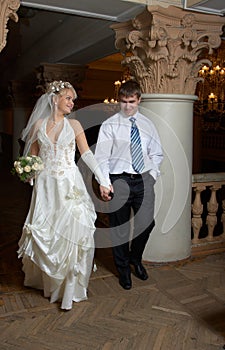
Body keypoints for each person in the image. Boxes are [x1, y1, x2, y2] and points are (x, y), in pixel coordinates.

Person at [17, 80, 111, 310]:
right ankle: (50, 285)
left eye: (72, 99)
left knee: (73, 233)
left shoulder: (75, 125)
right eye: (68, 98)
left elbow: (87, 154)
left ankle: (70, 291)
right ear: (54, 99)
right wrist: (27, 171)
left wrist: (103, 179)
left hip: (70, 184)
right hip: (46, 186)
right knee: (47, 233)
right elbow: (34, 156)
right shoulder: (39, 124)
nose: (72, 102)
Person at [95, 80, 163, 290]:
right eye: (123, 102)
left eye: (131, 101)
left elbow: (157, 152)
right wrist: (105, 184)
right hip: (119, 181)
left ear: (139, 100)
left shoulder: (147, 124)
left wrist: (151, 174)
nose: (127, 106)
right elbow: (101, 157)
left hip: (143, 179)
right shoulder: (110, 125)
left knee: (146, 223)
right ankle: (123, 269)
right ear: (119, 101)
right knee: (119, 229)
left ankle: (135, 258)